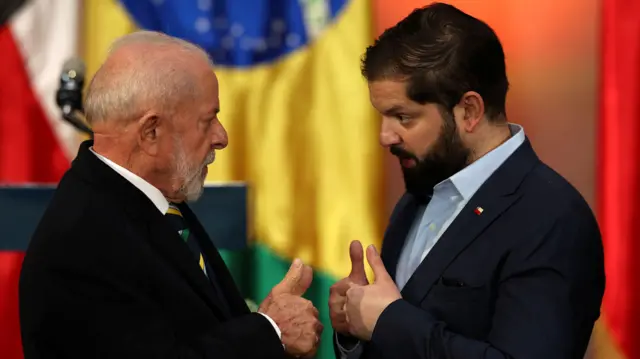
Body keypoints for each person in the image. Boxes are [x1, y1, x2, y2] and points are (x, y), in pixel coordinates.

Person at [19, 31, 322, 359]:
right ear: (151, 133)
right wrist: (269, 330)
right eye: (208, 120)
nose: (222, 137)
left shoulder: (154, 200)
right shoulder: (80, 243)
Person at [328, 3, 605, 359]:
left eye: (403, 117)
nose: (385, 137)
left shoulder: (552, 218)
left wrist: (387, 320)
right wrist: (355, 328)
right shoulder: (417, 198)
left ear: (469, 111)